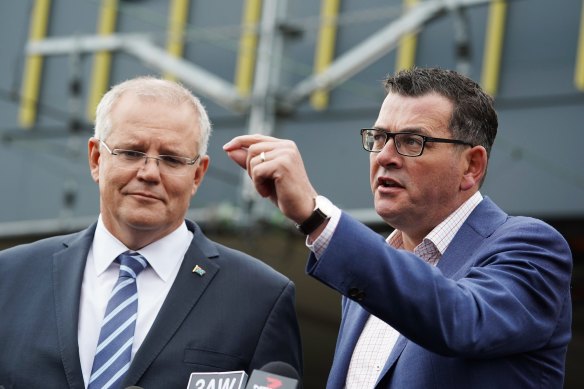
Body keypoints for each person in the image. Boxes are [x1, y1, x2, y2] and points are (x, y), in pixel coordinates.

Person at [223, 67, 573, 388]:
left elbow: (461, 319)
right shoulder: (371, 271)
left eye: (411, 141)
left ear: (471, 166)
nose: (385, 156)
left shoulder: (532, 247)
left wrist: (318, 217)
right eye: (379, 137)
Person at [0, 76, 302, 388]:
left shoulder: (259, 298)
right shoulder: (10, 278)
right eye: (131, 152)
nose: (149, 173)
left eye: (171, 159)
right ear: (95, 158)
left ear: (197, 174)